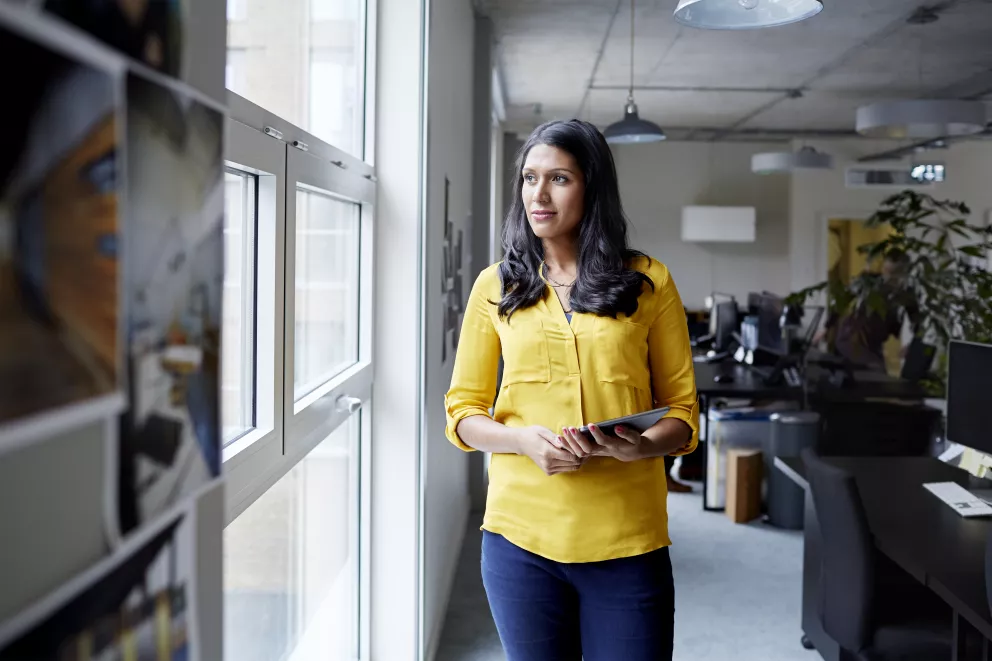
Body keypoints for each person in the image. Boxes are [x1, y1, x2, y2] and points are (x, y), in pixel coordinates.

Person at [444, 119, 698, 661]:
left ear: (592, 187)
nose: (538, 194)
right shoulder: (496, 285)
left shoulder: (650, 281)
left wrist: (641, 446)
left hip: (627, 537)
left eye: (559, 178)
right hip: (519, 538)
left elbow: (682, 412)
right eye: (530, 178)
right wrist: (521, 441)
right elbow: (462, 412)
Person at [814, 249, 919, 372]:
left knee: (880, 374)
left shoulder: (907, 294)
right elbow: (842, 300)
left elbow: (917, 322)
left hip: (874, 343)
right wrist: (826, 328)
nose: (888, 277)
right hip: (851, 338)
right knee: (877, 369)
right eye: (886, 271)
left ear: (904, 273)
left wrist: (911, 346)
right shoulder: (868, 281)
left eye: (894, 273)